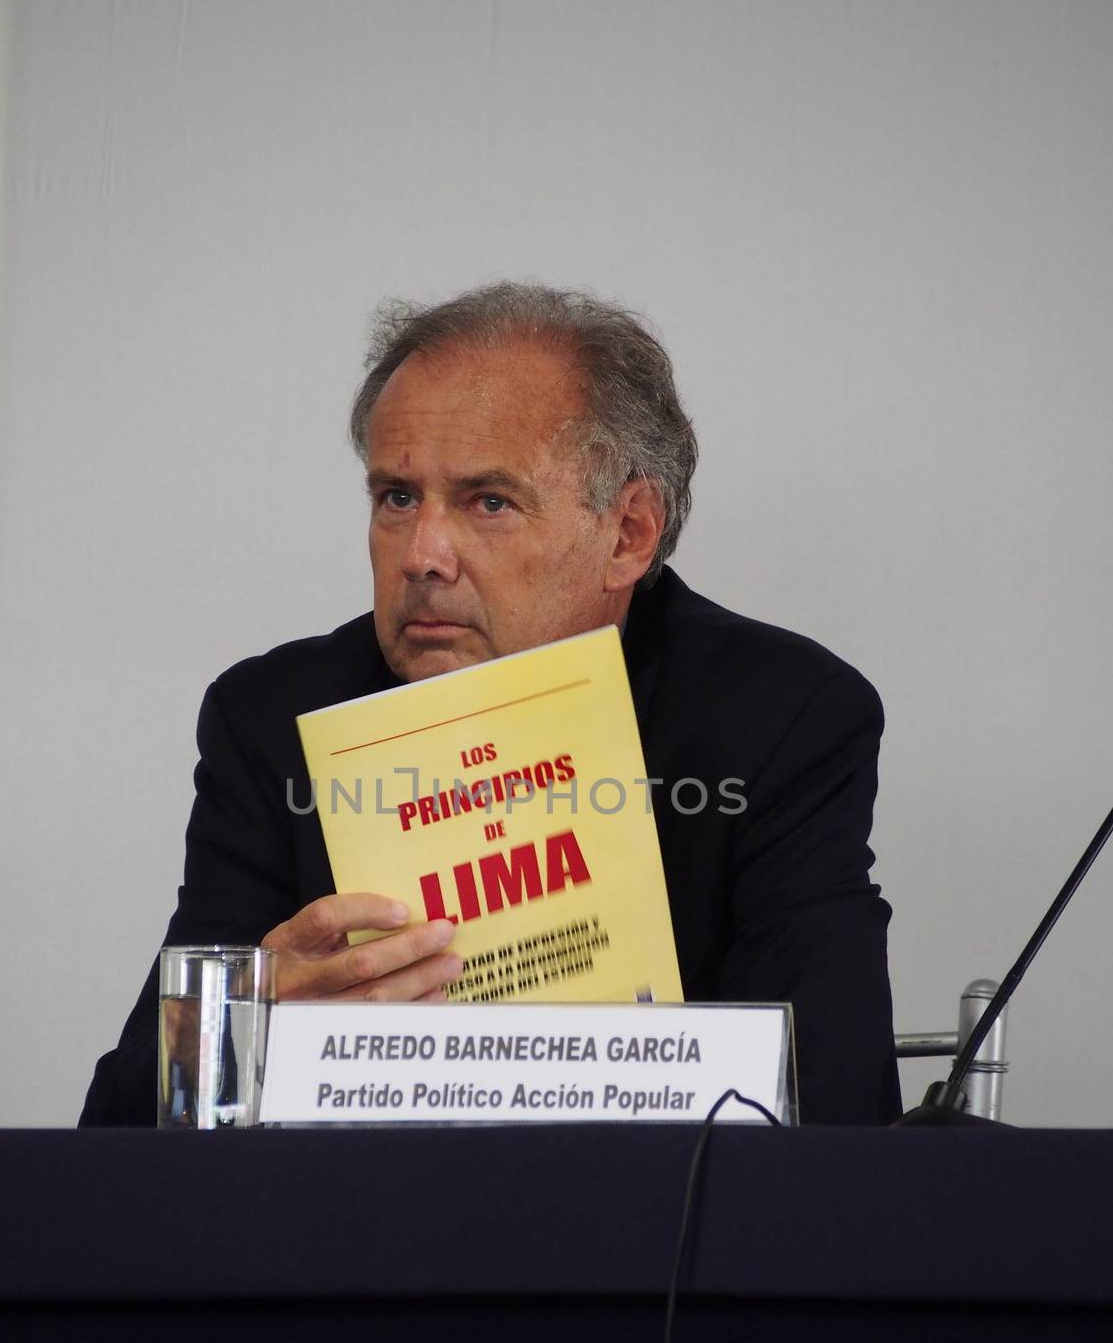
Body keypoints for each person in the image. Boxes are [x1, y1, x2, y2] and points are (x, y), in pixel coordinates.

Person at [81, 282, 898, 1127]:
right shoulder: (271, 720)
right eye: (397, 498)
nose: (423, 556)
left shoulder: (783, 719)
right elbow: (119, 1136)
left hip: (655, 1239)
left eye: (489, 502)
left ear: (628, 534)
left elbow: (832, 1109)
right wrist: (237, 1026)